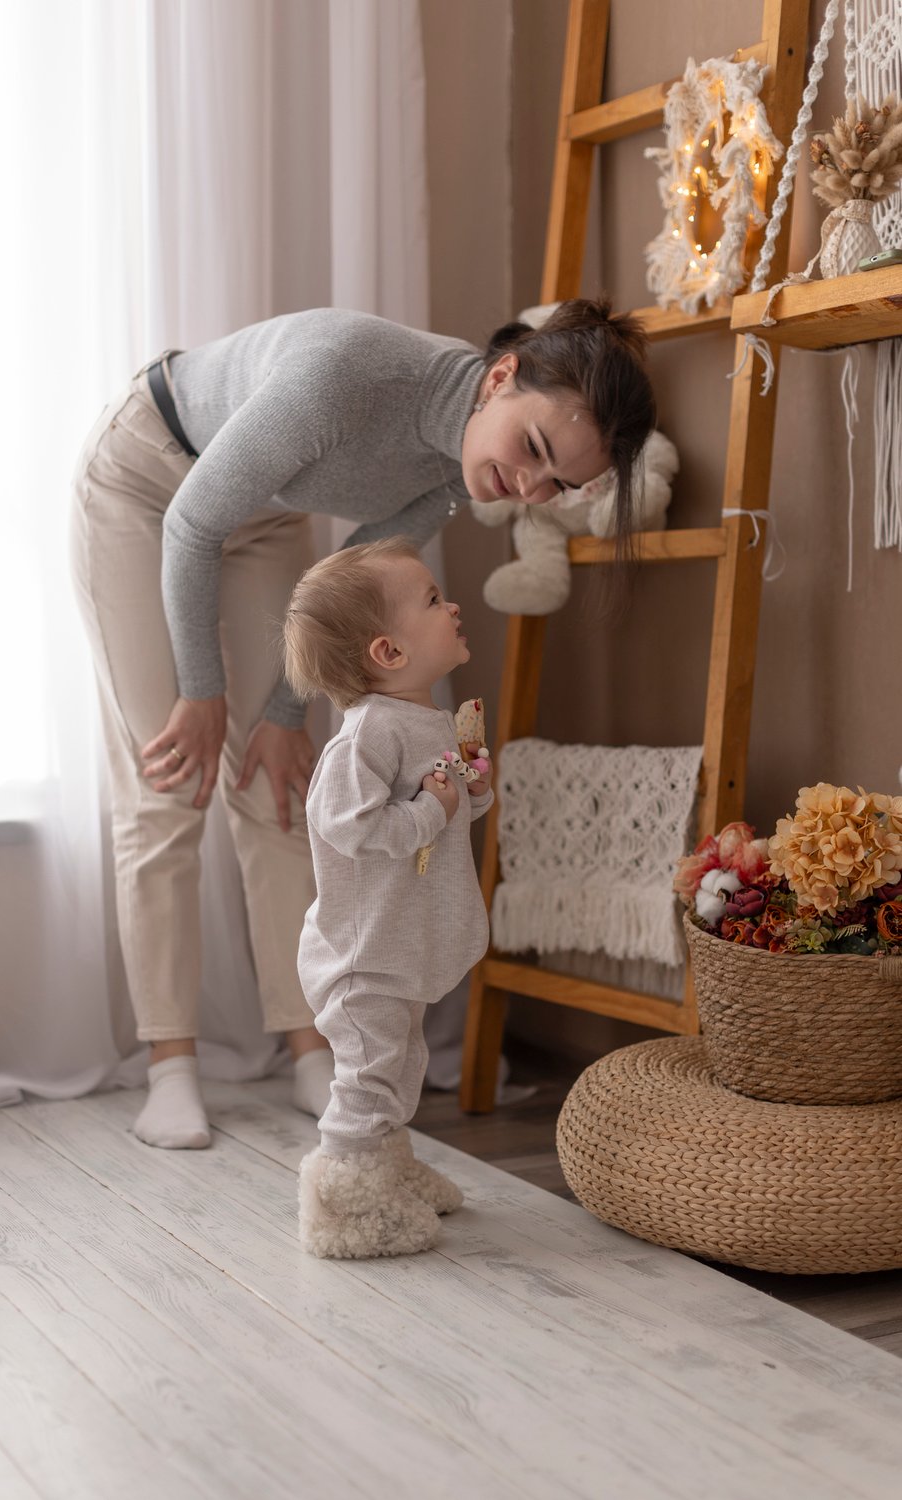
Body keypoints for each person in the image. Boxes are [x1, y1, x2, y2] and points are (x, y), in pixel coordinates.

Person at [69, 299, 655, 1151]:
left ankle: (315, 1046)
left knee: (277, 784)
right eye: (533, 451)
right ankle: (171, 1067)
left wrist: (278, 714)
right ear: (500, 378)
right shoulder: (343, 373)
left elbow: (347, 606)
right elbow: (194, 521)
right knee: (170, 780)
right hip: (148, 478)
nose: (531, 490)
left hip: (262, 515)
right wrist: (204, 695)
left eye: (560, 485)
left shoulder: (462, 466)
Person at [283, 538, 493, 1258]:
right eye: (434, 600)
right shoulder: (365, 736)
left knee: (402, 1067)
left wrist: (469, 790)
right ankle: (342, 1202)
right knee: (369, 1075)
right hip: (364, 954)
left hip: (400, 942)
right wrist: (435, 809)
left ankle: (387, 1166)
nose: (452, 605)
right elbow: (350, 826)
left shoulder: (423, 720)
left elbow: (438, 814)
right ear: (389, 652)